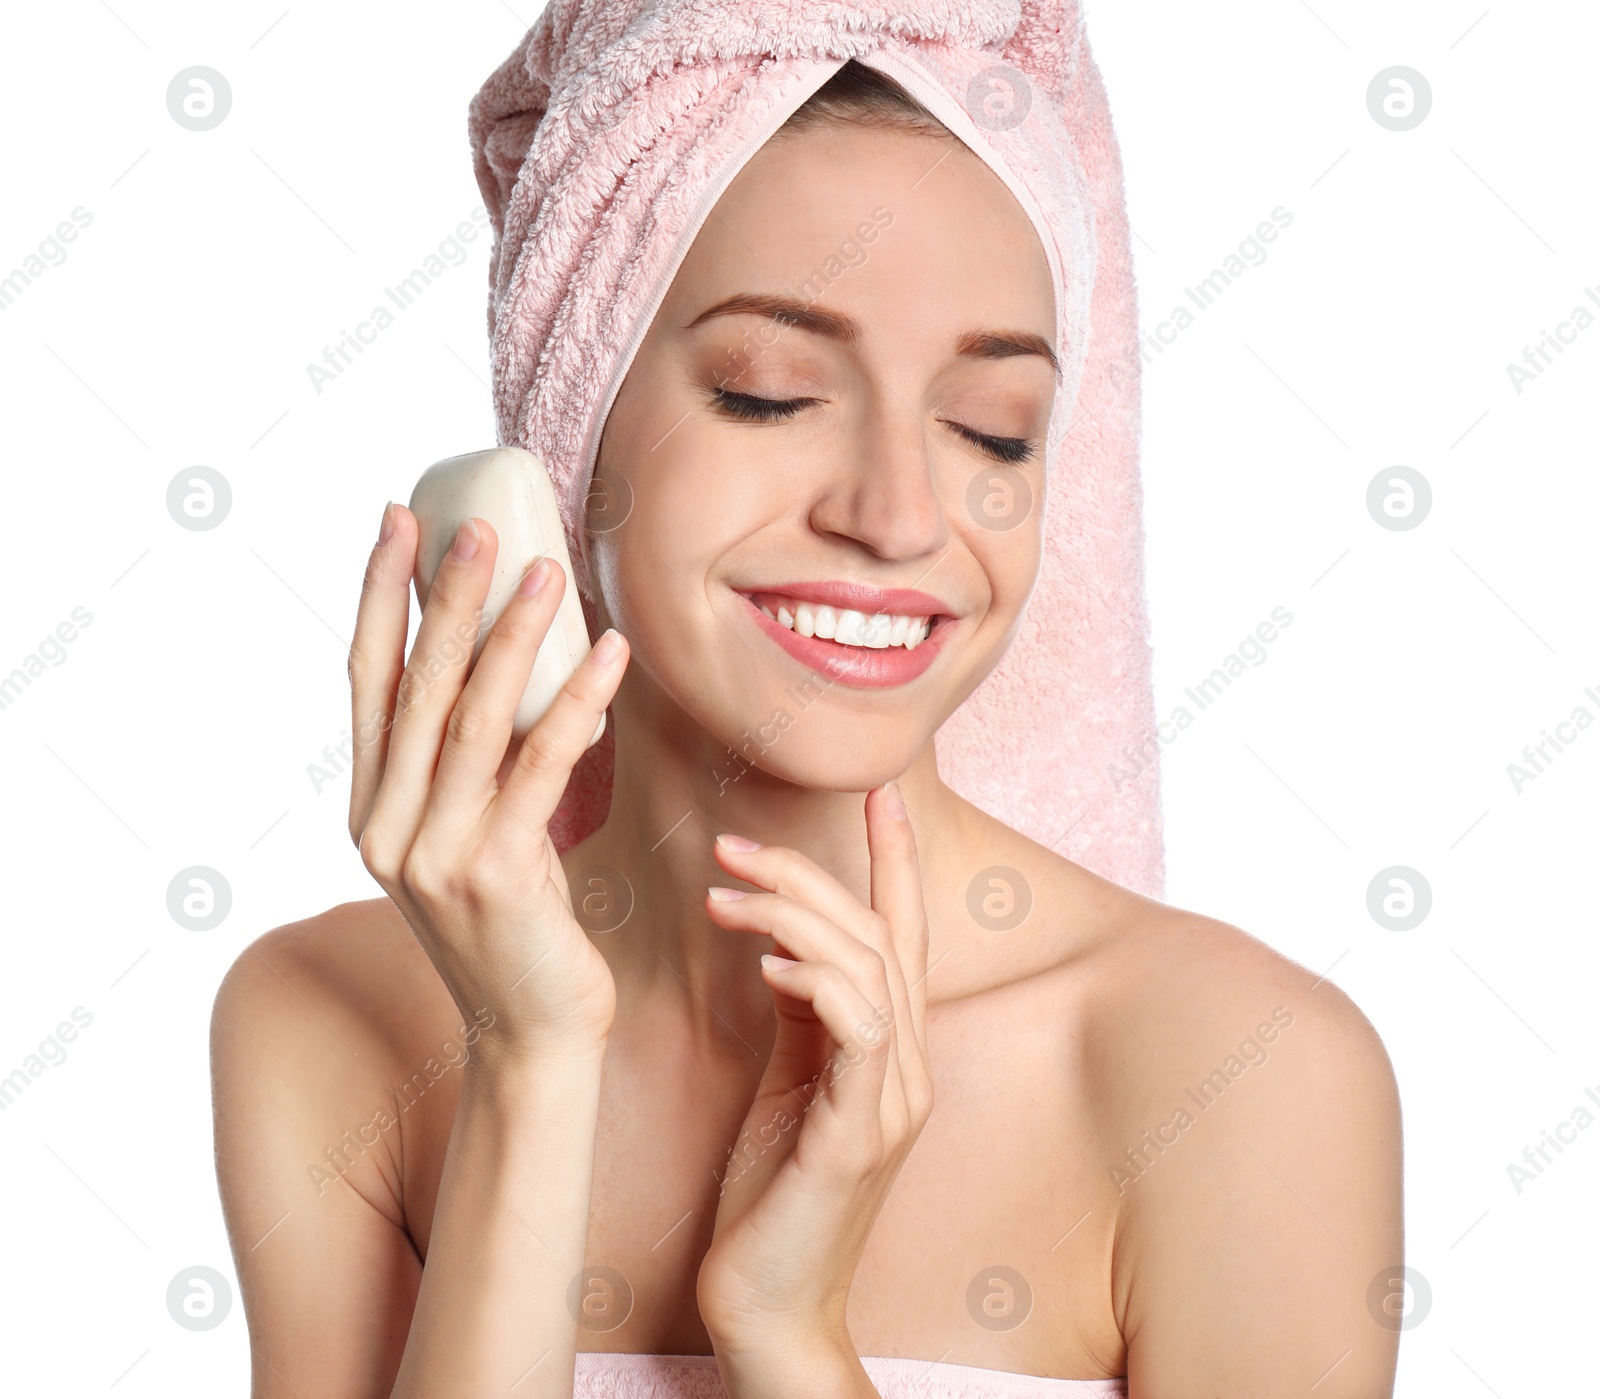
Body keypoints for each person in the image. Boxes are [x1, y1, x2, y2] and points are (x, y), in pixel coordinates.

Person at [211, 43, 1402, 1399]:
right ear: (563, 441)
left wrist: (788, 1336)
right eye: (769, 393)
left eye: (993, 428)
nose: (897, 515)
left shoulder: (1242, 1075)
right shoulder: (325, 1024)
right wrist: (529, 1066)